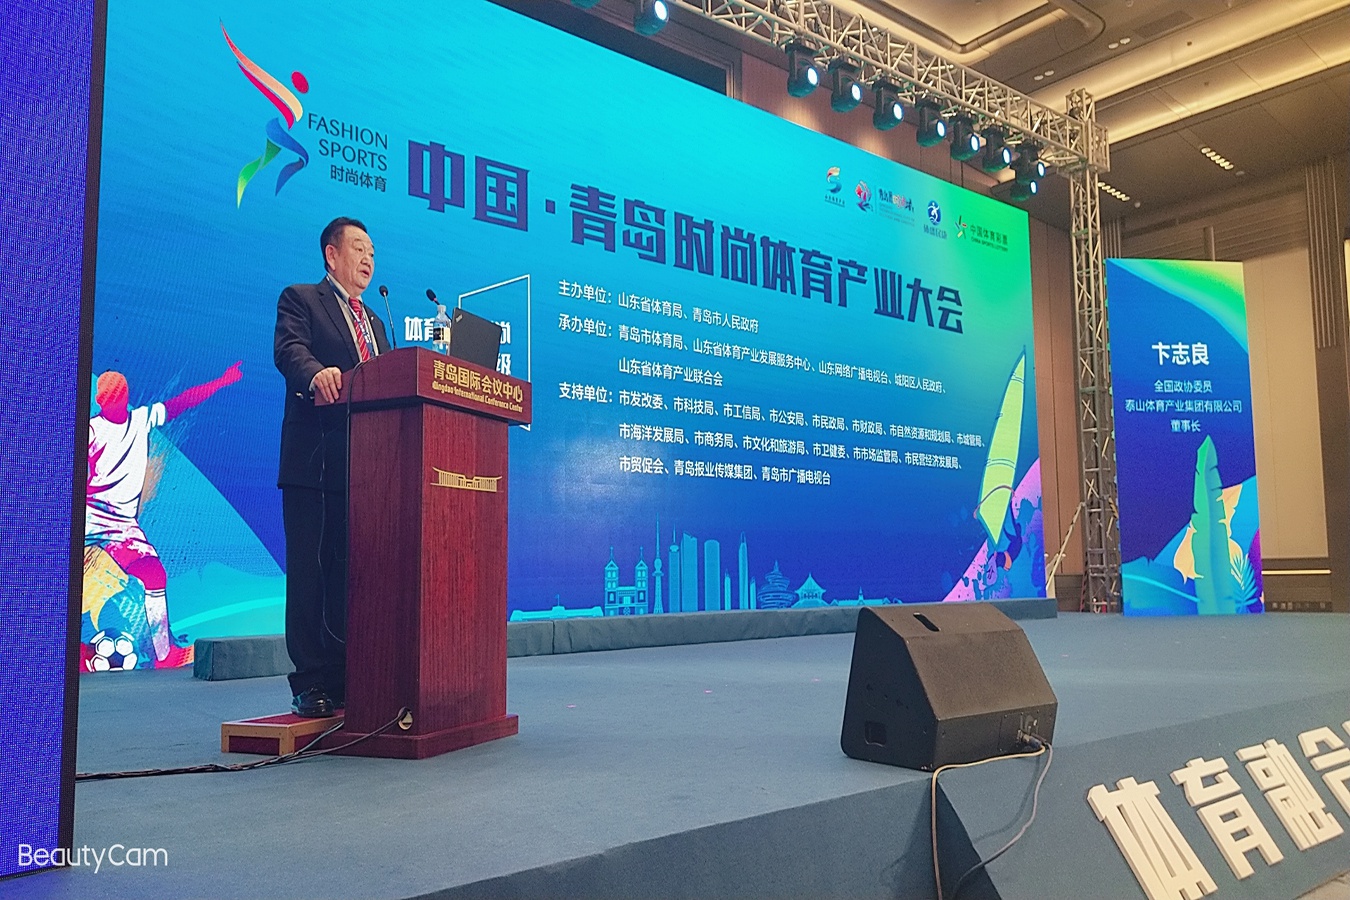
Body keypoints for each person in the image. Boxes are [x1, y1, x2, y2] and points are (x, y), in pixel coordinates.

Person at [274, 216, 390, 718]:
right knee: (311, 572)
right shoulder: (302, 299)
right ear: (331, 254)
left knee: (349, 574)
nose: (368, 259)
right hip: (314, 463)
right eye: (359, 248)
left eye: (372, 252)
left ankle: (347, 674)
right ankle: (310, 681)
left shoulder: (377, 323)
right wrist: (316, 373)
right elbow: (289, 351)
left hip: (363, 470)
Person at [86, 362, 243, 667]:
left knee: (154, 574)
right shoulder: (90, 431)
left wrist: (221, 382)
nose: (115, 401)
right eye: (109, 396)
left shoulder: (141, 419)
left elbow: (182, 401)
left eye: (119, 395)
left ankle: (164, 655)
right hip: (88, 515)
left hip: (121, 525)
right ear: (101, 400)